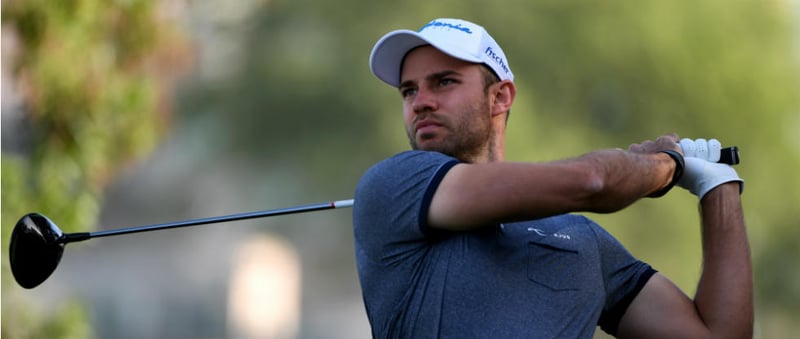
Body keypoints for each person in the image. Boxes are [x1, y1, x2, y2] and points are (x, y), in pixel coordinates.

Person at [353, 18, 752, 338]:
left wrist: (717, 187)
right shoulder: (393, 185)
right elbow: (592, 182)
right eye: (408, 91)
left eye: (444, 81)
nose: (420, 102)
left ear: (500, 97)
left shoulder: (582, 240)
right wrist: (667, 164)